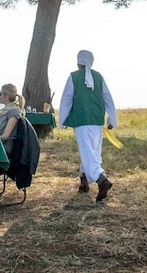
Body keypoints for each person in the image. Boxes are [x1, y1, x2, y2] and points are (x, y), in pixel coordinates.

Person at [59, 49, 118, 202]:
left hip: (80, 120)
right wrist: (111, 119)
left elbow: (67, 99)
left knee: (88, 153)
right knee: (92, 152)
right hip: (97, 120)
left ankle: (101, 180)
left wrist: (63, 120)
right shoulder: (98, 77)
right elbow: (108, 98)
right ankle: (84, 181)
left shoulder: (73, 77)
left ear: (78, 62)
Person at [0, 83, 25, 155]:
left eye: (0, 94)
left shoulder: (14, 111)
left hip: (5, 148)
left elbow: (6, 136)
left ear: (6, 96)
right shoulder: (4, 111)